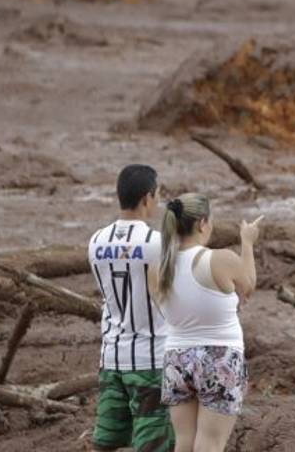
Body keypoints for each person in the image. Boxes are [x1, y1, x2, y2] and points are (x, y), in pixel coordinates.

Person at [150, 193, 262, 452]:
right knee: (210, 443)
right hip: (219, 357)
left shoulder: (157, 268)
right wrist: (247, 242)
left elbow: (169, 310)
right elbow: (249, 286)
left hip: (176, 358)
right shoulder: (220, 259)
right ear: (202, 223)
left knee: (184, 442)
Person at [87, 164, 174, 452]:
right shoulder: (156, 243)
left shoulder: (96, 242)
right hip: (151, 360)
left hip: (111, 357)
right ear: (147, 197)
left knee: (107, 442)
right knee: (153, 443)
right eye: (157, 194)